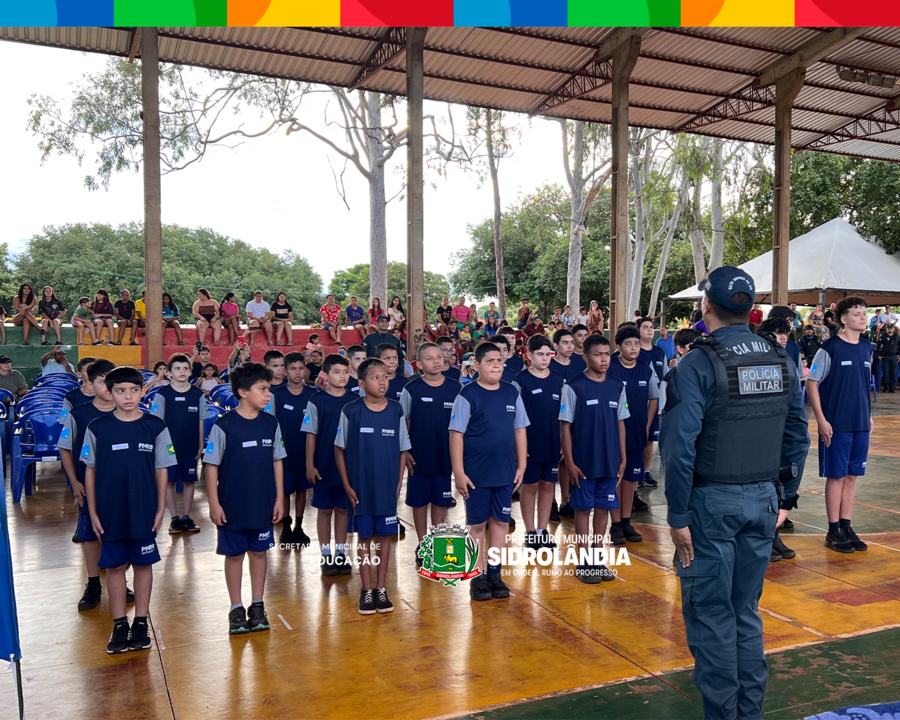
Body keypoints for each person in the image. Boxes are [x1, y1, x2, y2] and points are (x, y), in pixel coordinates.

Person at [659, 266, 808, 720]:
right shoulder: (779, 357)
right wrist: (784, 497)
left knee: (712, 616)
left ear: (706, 307)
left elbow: (679, 448)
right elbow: (797, 433)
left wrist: (678, 516)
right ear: (751, 309)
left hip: (711, 505)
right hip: (763, 500)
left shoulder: (699, 362)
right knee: (745, 613)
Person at [83, 366, 176, 653]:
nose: (128, 396)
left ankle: (140, 623)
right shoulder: (97, 427)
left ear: (142, 391)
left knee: (143, 565)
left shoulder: (155, 426)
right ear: (109, 393)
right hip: (110, 511)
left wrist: (161, 508)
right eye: (120, 391)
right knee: (114, 567)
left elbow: (162, 469)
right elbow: (90, 471)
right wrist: (94, 511)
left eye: (134, 390)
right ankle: (119, 624)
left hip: (144, 510)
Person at [204, 362, 285, 634]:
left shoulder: (270, 423)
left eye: (269, 389)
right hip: (232, 505)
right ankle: (236, 608)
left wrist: (279, 499)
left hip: (263, 503)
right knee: (235, 555)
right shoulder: (224, 425)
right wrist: (214, 503)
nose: (267, 395)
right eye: (262, 389)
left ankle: (258, 604)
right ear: (242, 392)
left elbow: (277, 462)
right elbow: (211, 465)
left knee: (260, 553)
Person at [450, 341, 528, 601]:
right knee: (476, 525)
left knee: (501, 523)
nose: (496, 365)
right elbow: (456, 434)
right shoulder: (467, 394)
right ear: (477, 365)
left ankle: (494, 573)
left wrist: (522, 464)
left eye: (499, 360)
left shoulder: (511, 392)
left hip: (505, 472)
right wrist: (459, 472)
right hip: (476, 475)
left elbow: (520, 429)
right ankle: (476, 575)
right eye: (490, 361)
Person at [337, 357, 411, 614]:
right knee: (364, 538)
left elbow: (403, 449)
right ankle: (366, 591)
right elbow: (339, 449)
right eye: (375, 377)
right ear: (360, 383)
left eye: (385, 377)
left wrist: (398, 482)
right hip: (360, 490)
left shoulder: (395, 410)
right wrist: (347, 485)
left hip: (386, 489)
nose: (382, 382)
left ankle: (381, 588)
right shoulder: (350, 411)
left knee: (384, 538)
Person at [59, 360, 131, 612]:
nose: (108, 387)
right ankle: (93, 584)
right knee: (91, 536)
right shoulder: (78, 414)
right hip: (89, 488)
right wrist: (75, 481)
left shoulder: (130, 413)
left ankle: (121, 578)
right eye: (101, 381)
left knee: (124, 533)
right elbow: (65, 448)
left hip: (124, 487)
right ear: (90, 383)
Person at [806, 296, 872, 555]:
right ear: (843, 319)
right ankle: (833, 530)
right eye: (857, 314)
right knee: (837, 475)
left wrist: (868, 416)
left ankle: (846, 526)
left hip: (860, 422)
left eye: (864, 313)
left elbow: (862, 384)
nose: (863, 318)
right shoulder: (830, 347)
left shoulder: (867, 347)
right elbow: (812, 383)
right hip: (837, 423)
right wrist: (821, 420)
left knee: (853, 475)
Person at [560, 334, 628, 583]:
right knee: (583, 510)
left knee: (604, 510)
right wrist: (569, 462)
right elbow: (565, 427)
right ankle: (583, 561)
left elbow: (621, 423)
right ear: (585, 357)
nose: (604, 359)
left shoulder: (617, 385)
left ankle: (597, 560)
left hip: (610, 463)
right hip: (584, 463)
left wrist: (622, 458)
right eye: (598, 354)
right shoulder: (573, 386)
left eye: (606, 354)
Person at [400, 343, 459, 557]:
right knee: (419, 502)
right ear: (419, 364)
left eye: (439, 357)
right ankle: (423, 543)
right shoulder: (412, 389)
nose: (436, 361)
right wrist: (405, 451)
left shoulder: (455, 388)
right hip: (419, 457)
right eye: (430, 358)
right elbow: (402, 422)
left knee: (441, 502)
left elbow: (462, 424)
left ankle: (438, 542)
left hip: (446, 456)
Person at [303, 354, 357, 576]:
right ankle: (326, 555)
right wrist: (310, 465)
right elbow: (310, 435)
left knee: (343, 510)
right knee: (324, 511)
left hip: (347, 468)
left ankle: (341, 553)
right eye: (336, 372)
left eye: (346, 371)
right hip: (323, 465)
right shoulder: (316, 401)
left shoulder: (354, 401)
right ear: (325, 375)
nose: (342, 376)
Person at [606, 325, 659, 543]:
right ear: (618, 347)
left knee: (630, 481)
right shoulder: (609, 367)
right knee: (615, 480)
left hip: (636, 433)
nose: (633, 347)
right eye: (628, 343)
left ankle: (627, 523)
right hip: (612, 436)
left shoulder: (646, 369)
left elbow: (654, 397)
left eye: (636, 343)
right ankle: (615, 525)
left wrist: (647, 424)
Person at [150, 353, 209, 534]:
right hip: (169, 448)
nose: (181, 371)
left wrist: (200, 445)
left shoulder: (197, 394)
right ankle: (174, 518)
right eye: (177, 368)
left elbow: (201, 421)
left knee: (190, 481)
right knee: (170, 482)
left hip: (191, 446)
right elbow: (157, 424)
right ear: (169, 373)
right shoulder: (162, 394)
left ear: (190, 372)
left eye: (185, 368)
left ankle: (186, 517)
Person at [514, 335, 564, 550]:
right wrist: (518, 448)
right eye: (540, 354)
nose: (545, 359)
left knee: (548, 486)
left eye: (548, 354)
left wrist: (563, 442)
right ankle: (530, 531)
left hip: (553, 442)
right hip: (529, 445)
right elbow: (515, 419)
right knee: (530, 486)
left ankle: (543, 531)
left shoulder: (558, 379)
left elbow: (565, 414)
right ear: (529, 355)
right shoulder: (521, 381)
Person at [268, 352, 316, 547]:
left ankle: (299, 525)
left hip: (305, 452)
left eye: (300, 368)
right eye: (292, 368)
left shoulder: (313, 395)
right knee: (285, 491)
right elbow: (269, 423)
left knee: (302, 490)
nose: (297, 372)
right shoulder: (276, 395)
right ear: (285, 371)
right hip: (284, 453)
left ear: (305, 370)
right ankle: (286, 526)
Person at [637, 317, 666, 489]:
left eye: (651, 327)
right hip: (637, 402)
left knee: (649, 438)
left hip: (654, 402)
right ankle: (633, 470)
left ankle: (645, 471)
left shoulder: (659, 352)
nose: (649, 330)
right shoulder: (634, 352)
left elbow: (664, 377)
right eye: (645, 327)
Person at [878, 322, 899, 393]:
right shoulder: (883, 336)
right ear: (886, 329)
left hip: (894, 356)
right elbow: (878, 346)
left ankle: (892, 388)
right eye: (888, 328)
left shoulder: (896, 337)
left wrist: (899, 355)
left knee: (893, 373)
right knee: (885, 373)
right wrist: (879, 354)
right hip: (885, 356)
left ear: (893, 329)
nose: (890, 329)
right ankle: (886, 388)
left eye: (891, 328)